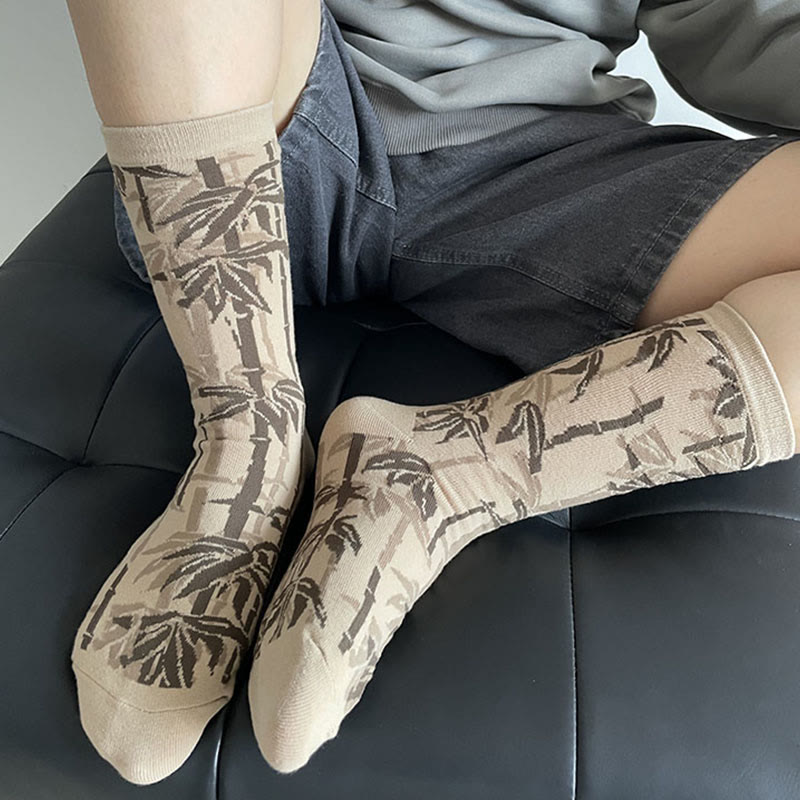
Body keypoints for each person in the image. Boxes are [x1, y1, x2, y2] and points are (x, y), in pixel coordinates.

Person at [65, 0, 800, 785]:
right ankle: (248, 441)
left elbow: (737, 26)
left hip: (557, 167)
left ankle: (434, 476)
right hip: (282, 128)